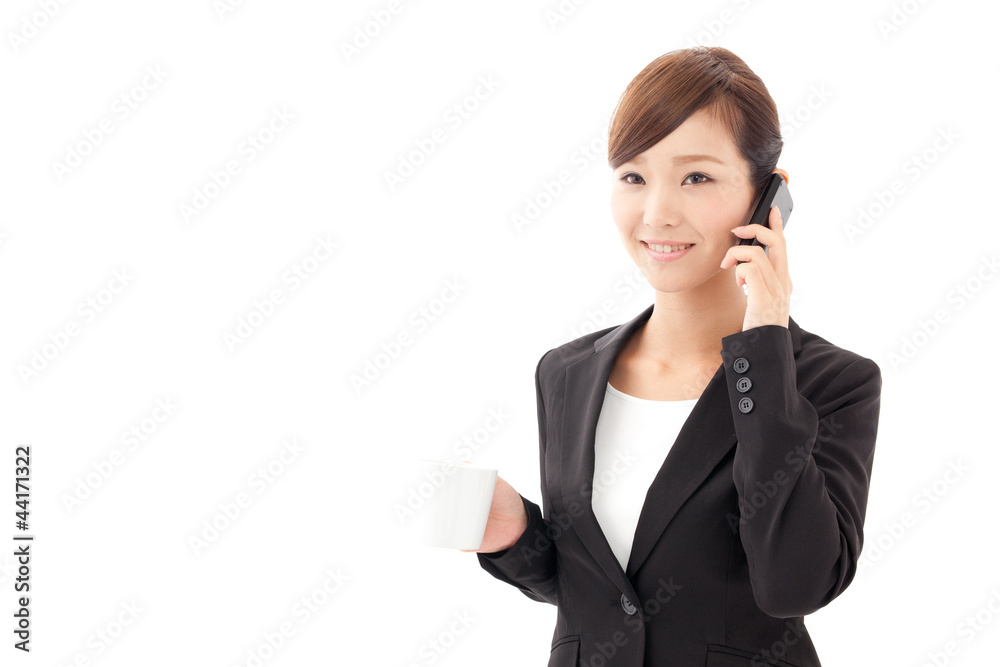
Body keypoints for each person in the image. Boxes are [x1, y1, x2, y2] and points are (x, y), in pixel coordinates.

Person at [462, 46, 883, 666]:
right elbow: (605, 594)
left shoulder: (830, 381)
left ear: (768, 196)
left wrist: (764, 344)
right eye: (633, 176)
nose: (657, 213)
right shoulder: (567, 371)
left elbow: (795, 584)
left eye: (697, 176)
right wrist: (512, 534)